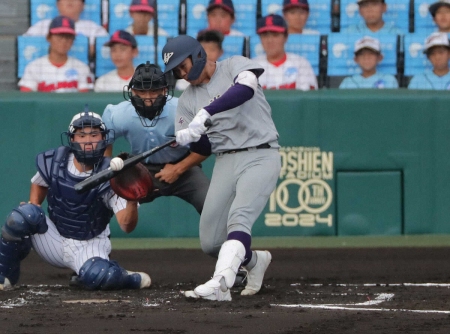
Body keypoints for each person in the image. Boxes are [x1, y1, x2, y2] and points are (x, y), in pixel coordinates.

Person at [162, 35, 281, 301]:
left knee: (239, 218)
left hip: (260, 153)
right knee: (212, 241)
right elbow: (203, 148)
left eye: (184, 65)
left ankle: (221, 285)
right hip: (225, 160)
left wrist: (206, 113)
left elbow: (246, 88)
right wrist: (192, 137)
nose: (183, 73)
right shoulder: (186, 100)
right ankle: (255, 261)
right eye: (177, 71)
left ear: (198, 54)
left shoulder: (233, 65)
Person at [0, 110, 150, 291]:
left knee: (103, 276)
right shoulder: (56, 161)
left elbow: (127, 226)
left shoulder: (113, 174)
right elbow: (38, 183)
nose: (88, 141)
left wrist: (132, 201)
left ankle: (127, 278)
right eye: (81, 135)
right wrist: (35, 205)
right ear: (72, 139)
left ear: (103, 138)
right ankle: (5, 276)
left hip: (89, 245)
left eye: (94, 135)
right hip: (54, 237)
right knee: (22, 217)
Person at [101, 62, 210, 214]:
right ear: (132, 91)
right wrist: (108, 171)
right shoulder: (118, 114)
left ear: (165, 90)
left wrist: (178, 169)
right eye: (141, 92)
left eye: (154, 91)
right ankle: (93, 237)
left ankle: (226, 238)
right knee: (100, 199)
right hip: (139, 169)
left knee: (210, 204)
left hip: (184, 168)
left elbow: (204, 148)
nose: (148, 98)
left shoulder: (183, 110)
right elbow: (105, 144)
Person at [18, 16, 93, 93]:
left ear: (73, 41)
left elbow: (85, 101)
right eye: (59, 36)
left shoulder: (81, 67)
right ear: (48, 37)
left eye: (68, 37)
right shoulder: (34, 67)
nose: (64, 41)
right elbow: (26, 98)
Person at [252, 14, 318, 90]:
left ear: (286, 37)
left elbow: (309, 99)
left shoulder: (301, 64)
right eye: (265, 35)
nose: (270, 40)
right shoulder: (252, 67)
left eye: (275, 35)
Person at [24, 0, 108, 56]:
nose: (70, 1)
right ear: (58, 4)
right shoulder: (41, 26)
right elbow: (24, 46)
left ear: (83, 6)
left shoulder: (95, 29)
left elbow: (106, 51)